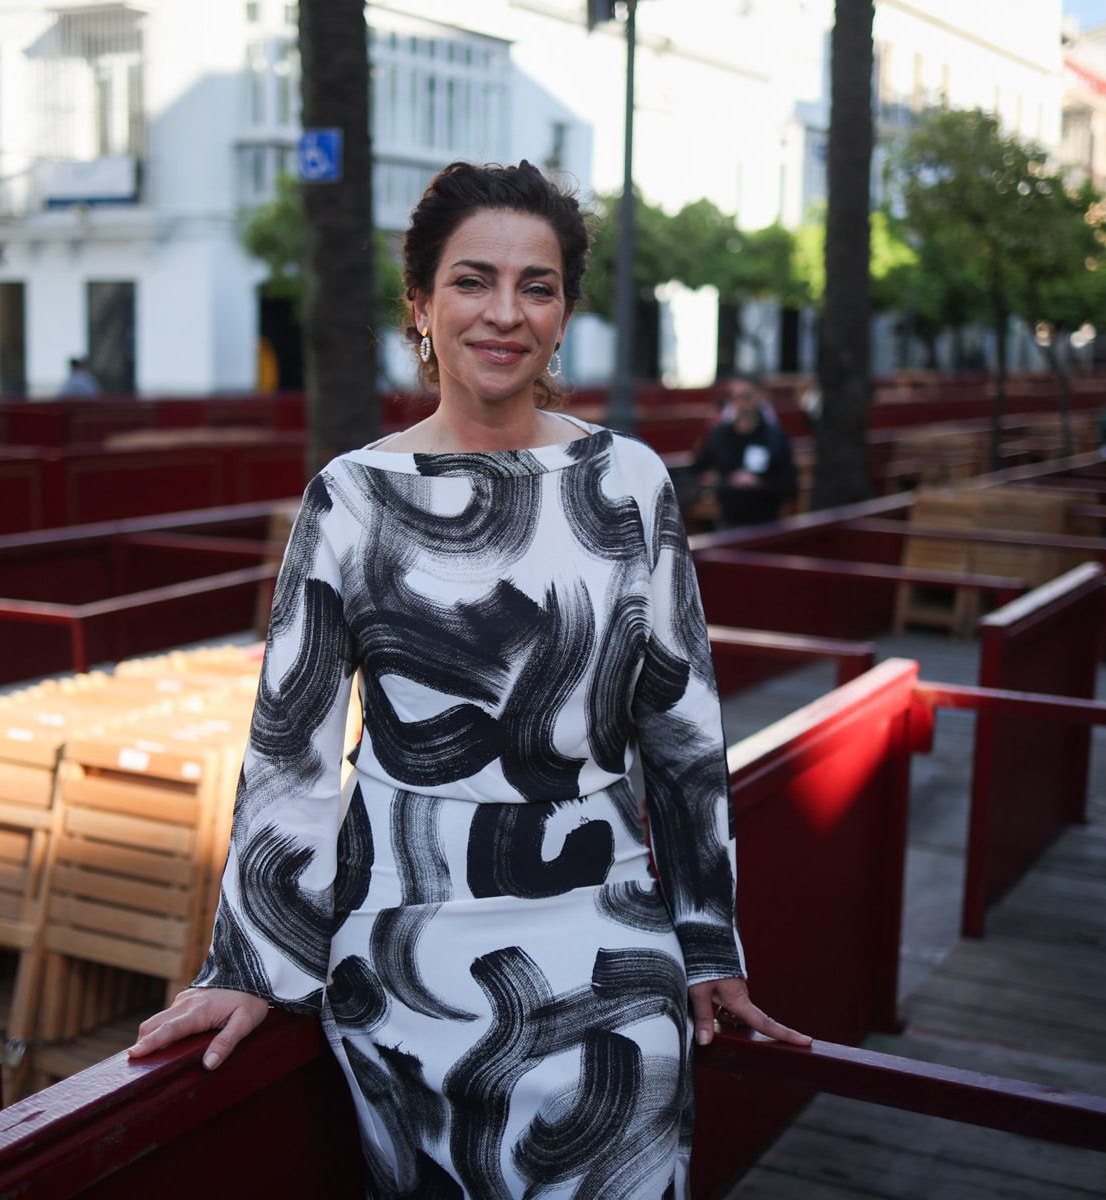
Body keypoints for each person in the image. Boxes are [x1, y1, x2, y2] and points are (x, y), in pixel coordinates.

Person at [127, 160, 807, 1198]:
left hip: (604, 929)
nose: (505, 313)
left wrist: (709, 941)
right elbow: (291, 749)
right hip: (404, 943)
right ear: (421, 304)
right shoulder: (353, 498)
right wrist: (253, 964)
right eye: (472, 280)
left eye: (537, 287)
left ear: (566, 311)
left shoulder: (629, 483)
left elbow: (681, 729)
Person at [688, 377, 800, 526]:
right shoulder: (719, 435)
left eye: (746, 396)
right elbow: (695, 471)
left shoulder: (776, 436)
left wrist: (759, 483)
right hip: (729, 521)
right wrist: (723, 482)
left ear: (760, 396)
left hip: (767, 522)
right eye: (734, 398)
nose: (740, 403)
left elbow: (791, 487)